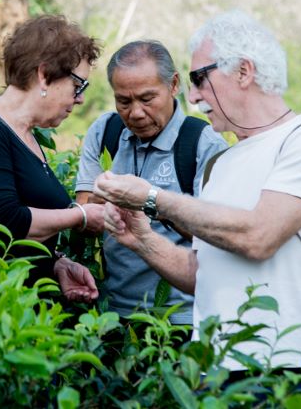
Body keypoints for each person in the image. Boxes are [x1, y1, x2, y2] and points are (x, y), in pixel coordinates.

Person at [94, 10, 301, 399]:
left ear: (243, 71)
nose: (194, 94)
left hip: (298, 367)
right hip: (218, 372)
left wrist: (153, 198)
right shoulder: (220, 164)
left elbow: (258, 236)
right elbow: (202, 273)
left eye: (200, 78)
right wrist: (140, 238)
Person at [0, 15, 106, 303]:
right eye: (78, 85)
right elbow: (3, 221)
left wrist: (56, 263)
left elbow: (21, 237)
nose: (80, 99)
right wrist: (81, 215)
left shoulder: (26, 136)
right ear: (44, 74)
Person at [74, 40, 227, 324]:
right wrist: (101, 203)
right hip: (112, 313)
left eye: (147, 99)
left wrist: (149, 202)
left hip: (179, 318)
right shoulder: (105, 133)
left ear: (173, 85)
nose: (136, 113)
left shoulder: (202, 144)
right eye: (124, 101)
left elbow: (217, 236)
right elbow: (83, 211)